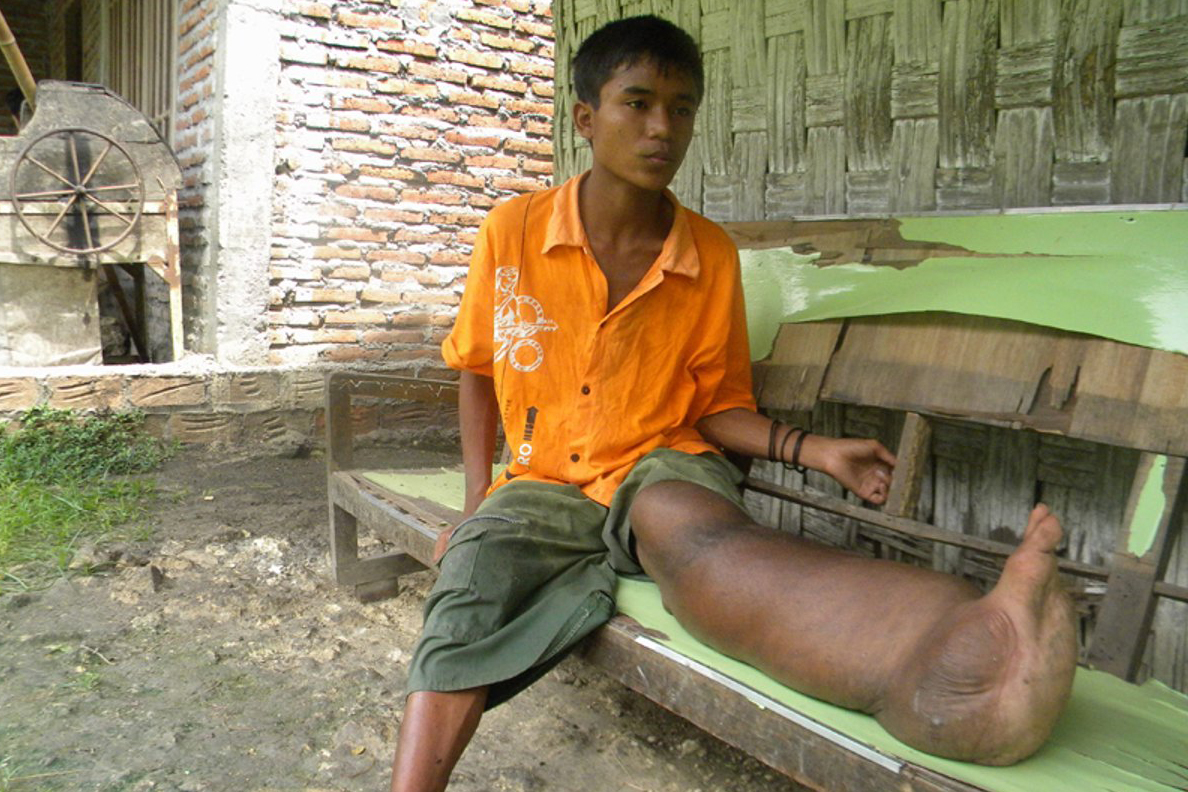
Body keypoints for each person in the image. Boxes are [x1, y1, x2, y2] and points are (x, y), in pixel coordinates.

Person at [390, 15, 1077, 791]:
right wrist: (476, 503)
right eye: (638, 103)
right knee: (469, 589)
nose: (663, 128)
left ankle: (948, 662)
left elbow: (716, 405)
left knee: (702, 545)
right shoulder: (513, 231)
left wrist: (815, 450)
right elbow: (478, 368)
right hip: (539, 480)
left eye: (681, 109)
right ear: (585, 117)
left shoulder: (707, 253)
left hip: (660, 461)